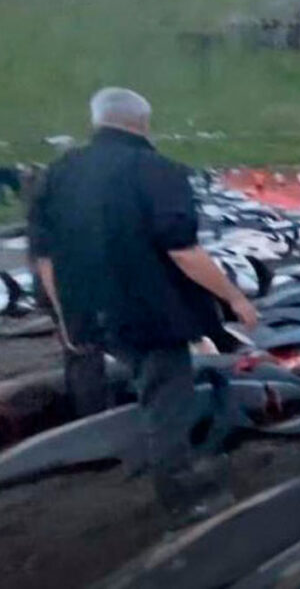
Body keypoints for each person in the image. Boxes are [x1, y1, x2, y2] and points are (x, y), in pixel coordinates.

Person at [28, 87, 259, 523]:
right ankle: (182, 499)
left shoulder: (59, 173)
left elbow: (45, 257)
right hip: (152, 313)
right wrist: (234, 297)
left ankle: (152, 458)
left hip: (89, 312)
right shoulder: (157, 170)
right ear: (144, 123)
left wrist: (66, 317)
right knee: (168, 401)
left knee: (143, 383)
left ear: (96, 120)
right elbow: (183, 251)